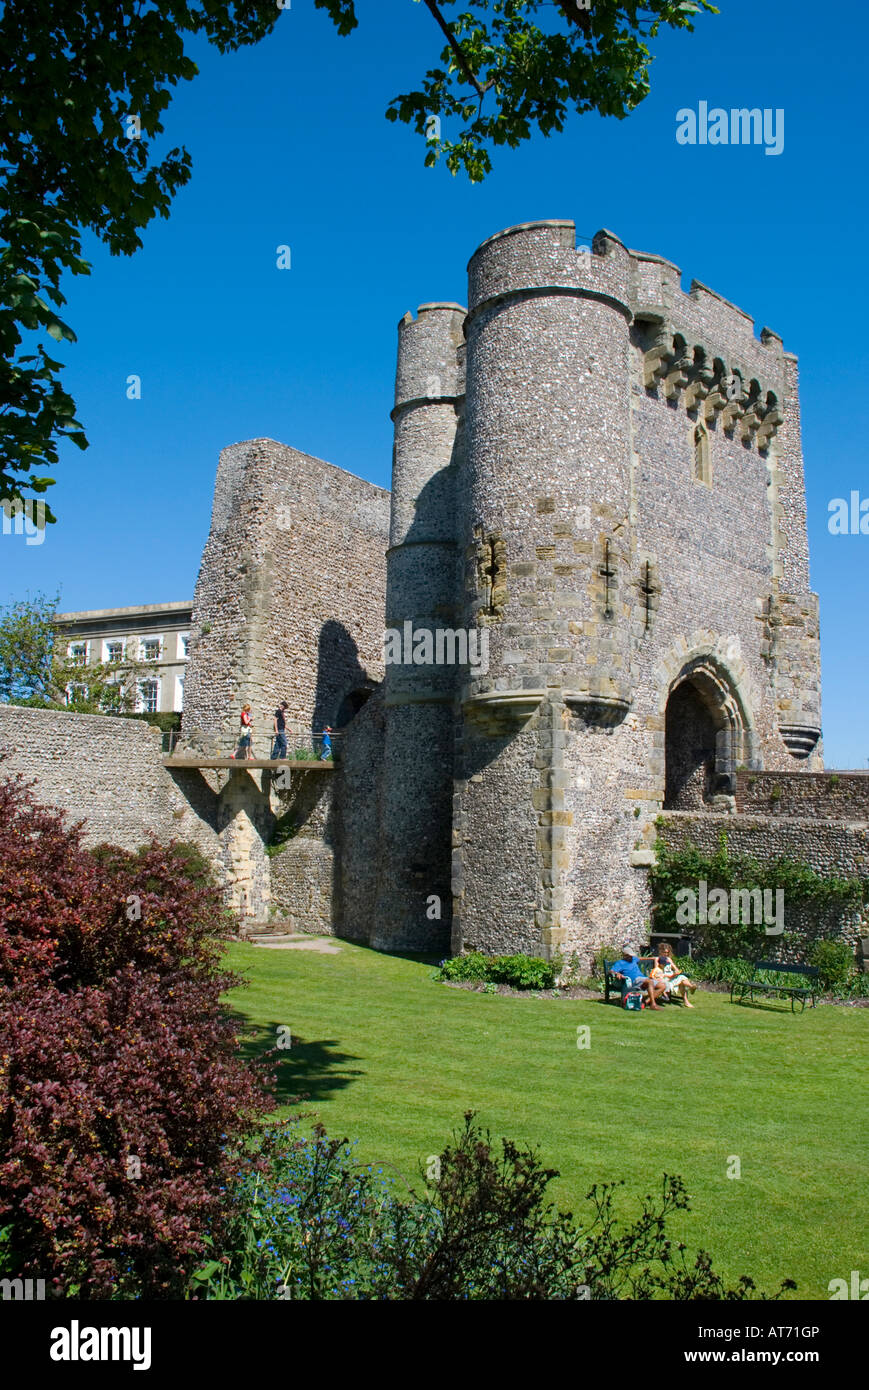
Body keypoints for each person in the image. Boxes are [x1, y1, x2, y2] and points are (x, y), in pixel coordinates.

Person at [609, 945, 667, 1011]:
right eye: (629, 956)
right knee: (650, 982)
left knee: (662, 986)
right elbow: (611, 971)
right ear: (625, 955)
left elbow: (640, 958)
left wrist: (653, 958)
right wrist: (617, 973)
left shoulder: (633, 959)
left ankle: (645, 1003)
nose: (631, 957)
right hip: (635, 981)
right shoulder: (620, 963)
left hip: (643, 979)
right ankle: (653, 1004)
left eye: (631, 955)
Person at [657, 941, 699, 1007]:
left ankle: (691, 988)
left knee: (682, 977)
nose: (666, 954)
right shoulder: (658, 959)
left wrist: (677, 972)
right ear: (661, 952)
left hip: (671, 976)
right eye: (664, 952)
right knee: (681, 982)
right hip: (664, 978)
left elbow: (675, 968)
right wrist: (671, 975)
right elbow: (658, 972)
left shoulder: (669, 959)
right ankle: (687, 999)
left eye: (667, 952)